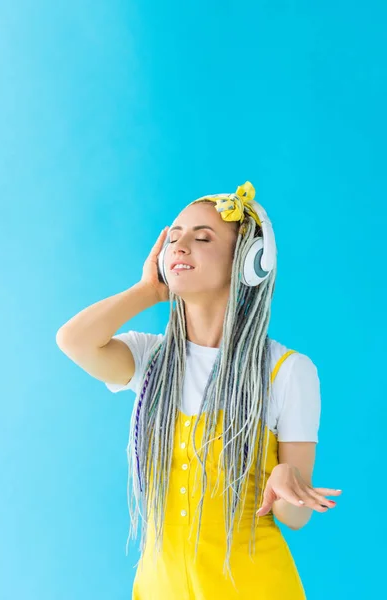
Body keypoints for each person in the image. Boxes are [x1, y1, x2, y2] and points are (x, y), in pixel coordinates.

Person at [56, 181, 342, 599]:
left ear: (249, 263)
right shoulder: (151, 360)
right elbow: (74, 340)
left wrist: (285, 476)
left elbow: (294, 517)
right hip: (159, 588)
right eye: (173, 236)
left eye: (202, 237)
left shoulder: (289, 371)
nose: (180, 245)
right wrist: (147, 291)